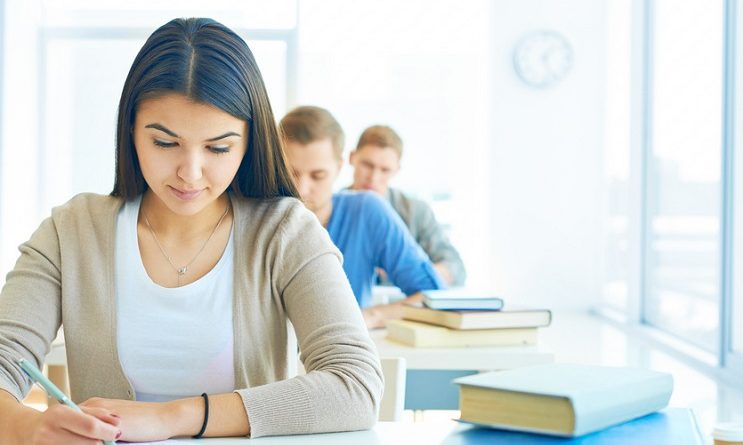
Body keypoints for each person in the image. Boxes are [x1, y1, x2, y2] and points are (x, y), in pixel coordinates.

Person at [0, 18, 382, 444]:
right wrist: (28, 427)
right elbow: (3, 360)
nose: (190, 173)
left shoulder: (285, 233)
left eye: (219, 148)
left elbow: (357, 386)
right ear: (130, 131)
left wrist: (171, 417)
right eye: (165, 143)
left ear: (249, 142)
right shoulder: (70, 233)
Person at [279, 106, 444, 329]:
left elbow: (434, 297)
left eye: (318, 176)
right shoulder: (252, 216)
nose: (301, 189)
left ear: (339, 167)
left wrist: (371, 316)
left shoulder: (367, 212)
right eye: (291, 173)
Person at [349, 125, 466, 286]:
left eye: (385, 170)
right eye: (367, 165)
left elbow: (455, 268)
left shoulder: (417, 212)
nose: (374, 177)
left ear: (397, 170)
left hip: (402, 307)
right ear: (352, 158)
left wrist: (412, 270)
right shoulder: (330, 208)